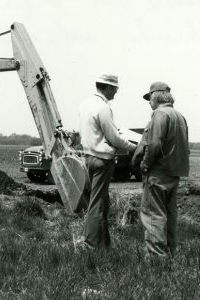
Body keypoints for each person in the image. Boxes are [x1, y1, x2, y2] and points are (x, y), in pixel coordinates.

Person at [78, 74, 136, 249]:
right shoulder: (104, 108)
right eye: (115, 89)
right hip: (103, 161)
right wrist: (135, 147)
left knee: (101, 202)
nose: (116, 92)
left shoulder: (84, 104)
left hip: (88, 157)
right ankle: (91, 245)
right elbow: (114, 138)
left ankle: (104, 245)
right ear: (108, 87)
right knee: (97, 204)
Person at [132, 82, 189, 257]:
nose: (149, 102)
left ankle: (157, 258)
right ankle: (171, 253)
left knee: (153, 215)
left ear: (156, 96)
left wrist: (145, 164)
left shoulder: (159, 114)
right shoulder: (180, 116)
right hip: (174, 174)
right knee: (170, 216)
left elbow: (154, 144)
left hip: (158, 174)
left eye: (150, 98)